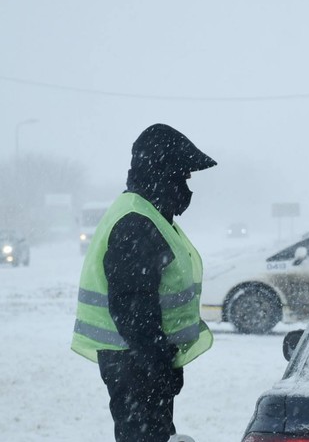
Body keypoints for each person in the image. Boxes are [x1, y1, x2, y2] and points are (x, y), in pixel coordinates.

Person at [71, 123, 216, 442]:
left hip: (139, 364)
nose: (187, 185)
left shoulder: (146, 214)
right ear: (163, 173)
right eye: (184, 175)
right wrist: (159, 365)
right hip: (135, 365)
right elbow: (133, 309)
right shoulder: (137, 223)